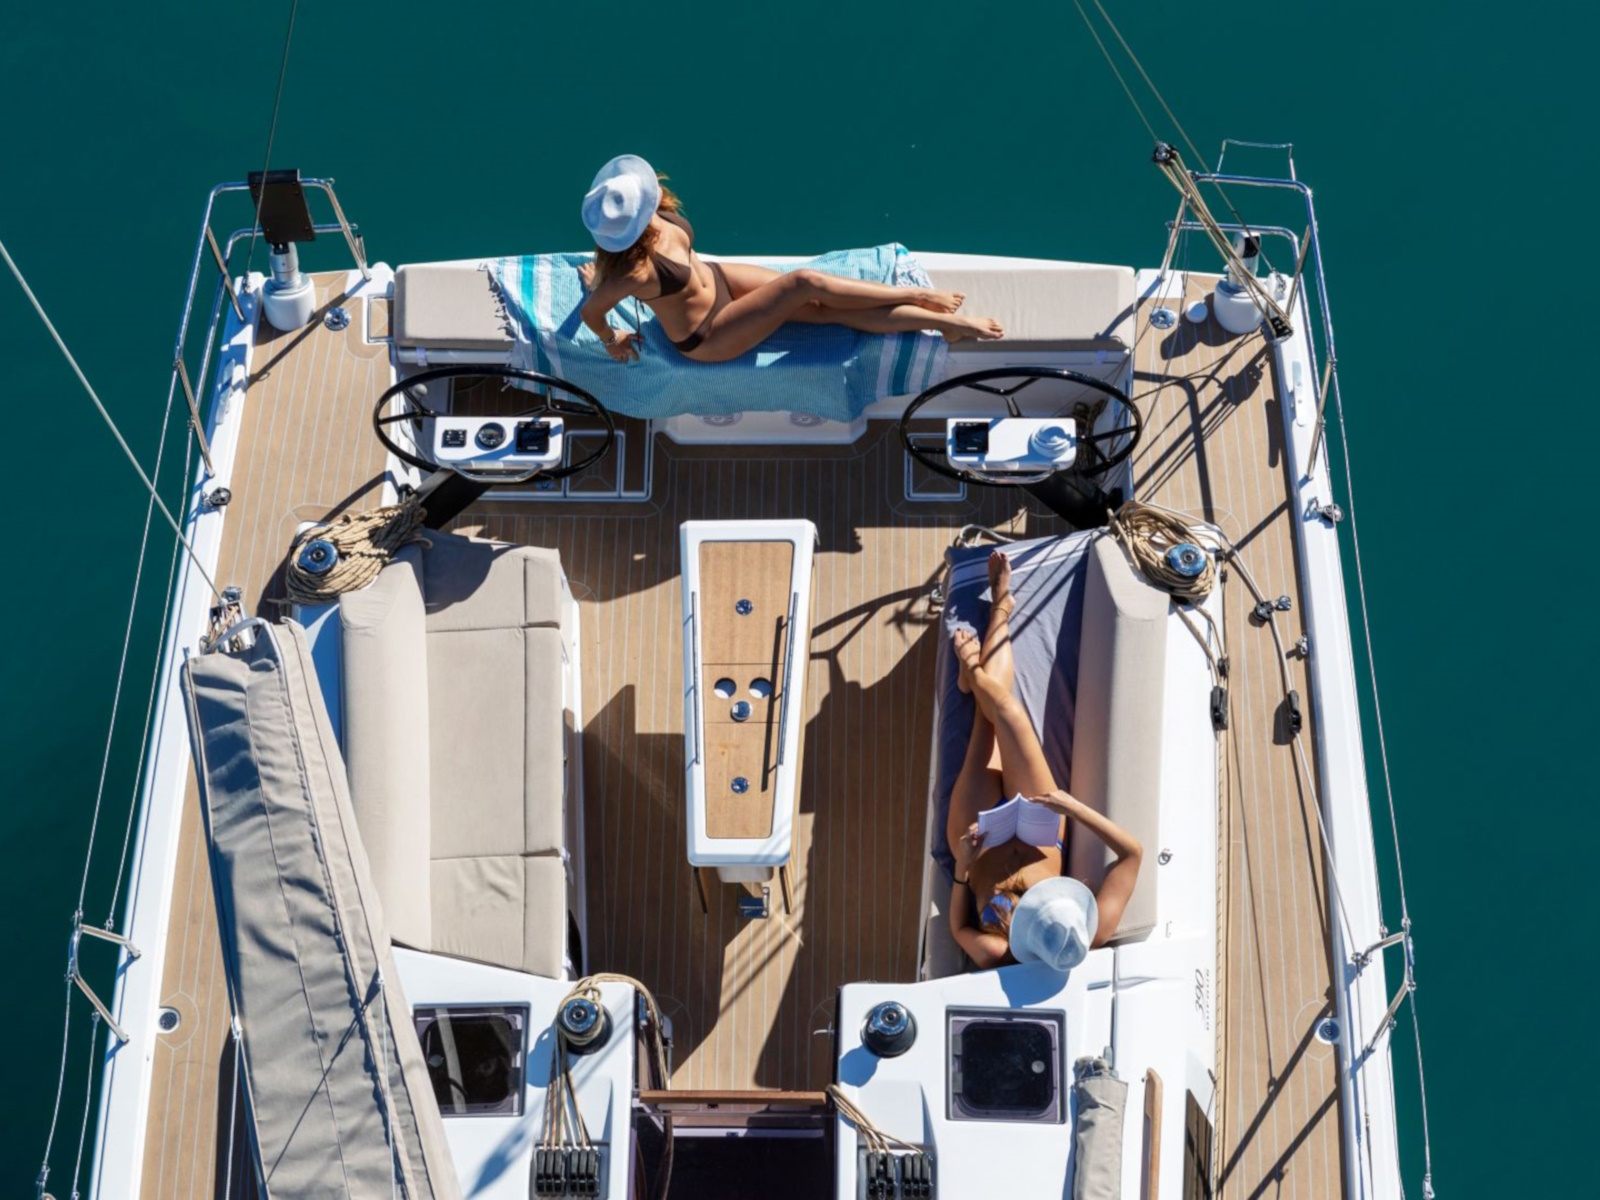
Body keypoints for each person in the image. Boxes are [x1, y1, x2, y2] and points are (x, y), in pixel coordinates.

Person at [576, 154, 1005, 364]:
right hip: (708, 334)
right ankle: (923, 304)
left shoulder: (657, 214)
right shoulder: (633, 273)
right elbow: (592, 312)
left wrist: (600, 279)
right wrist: (613, 340)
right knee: (807, 285)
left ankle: (940, 321)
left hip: (721, 283)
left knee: (821, 307)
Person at [946, 551, 1143, 970]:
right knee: (1007, 713)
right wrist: (1073, 808)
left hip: (978, 841)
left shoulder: (1000, 952)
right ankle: (979, 663)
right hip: (1041, 824)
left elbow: (959, 929)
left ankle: (981, 658)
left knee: (986, 721)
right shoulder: (1085, 935)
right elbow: (1133, 853)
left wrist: (963, 865)